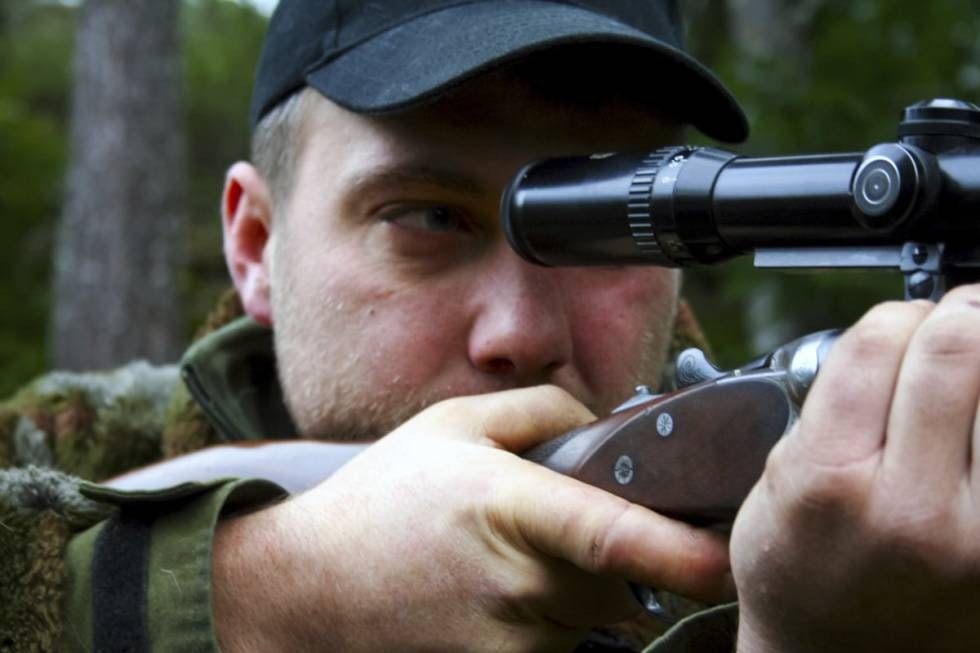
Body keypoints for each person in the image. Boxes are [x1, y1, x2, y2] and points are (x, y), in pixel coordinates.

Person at [3, 1, 980, 651]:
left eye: (606, 223)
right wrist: (273, 589)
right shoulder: (54, 450)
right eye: (429, 215)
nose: (514, 331)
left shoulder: (863, 542)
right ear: (256, 244)